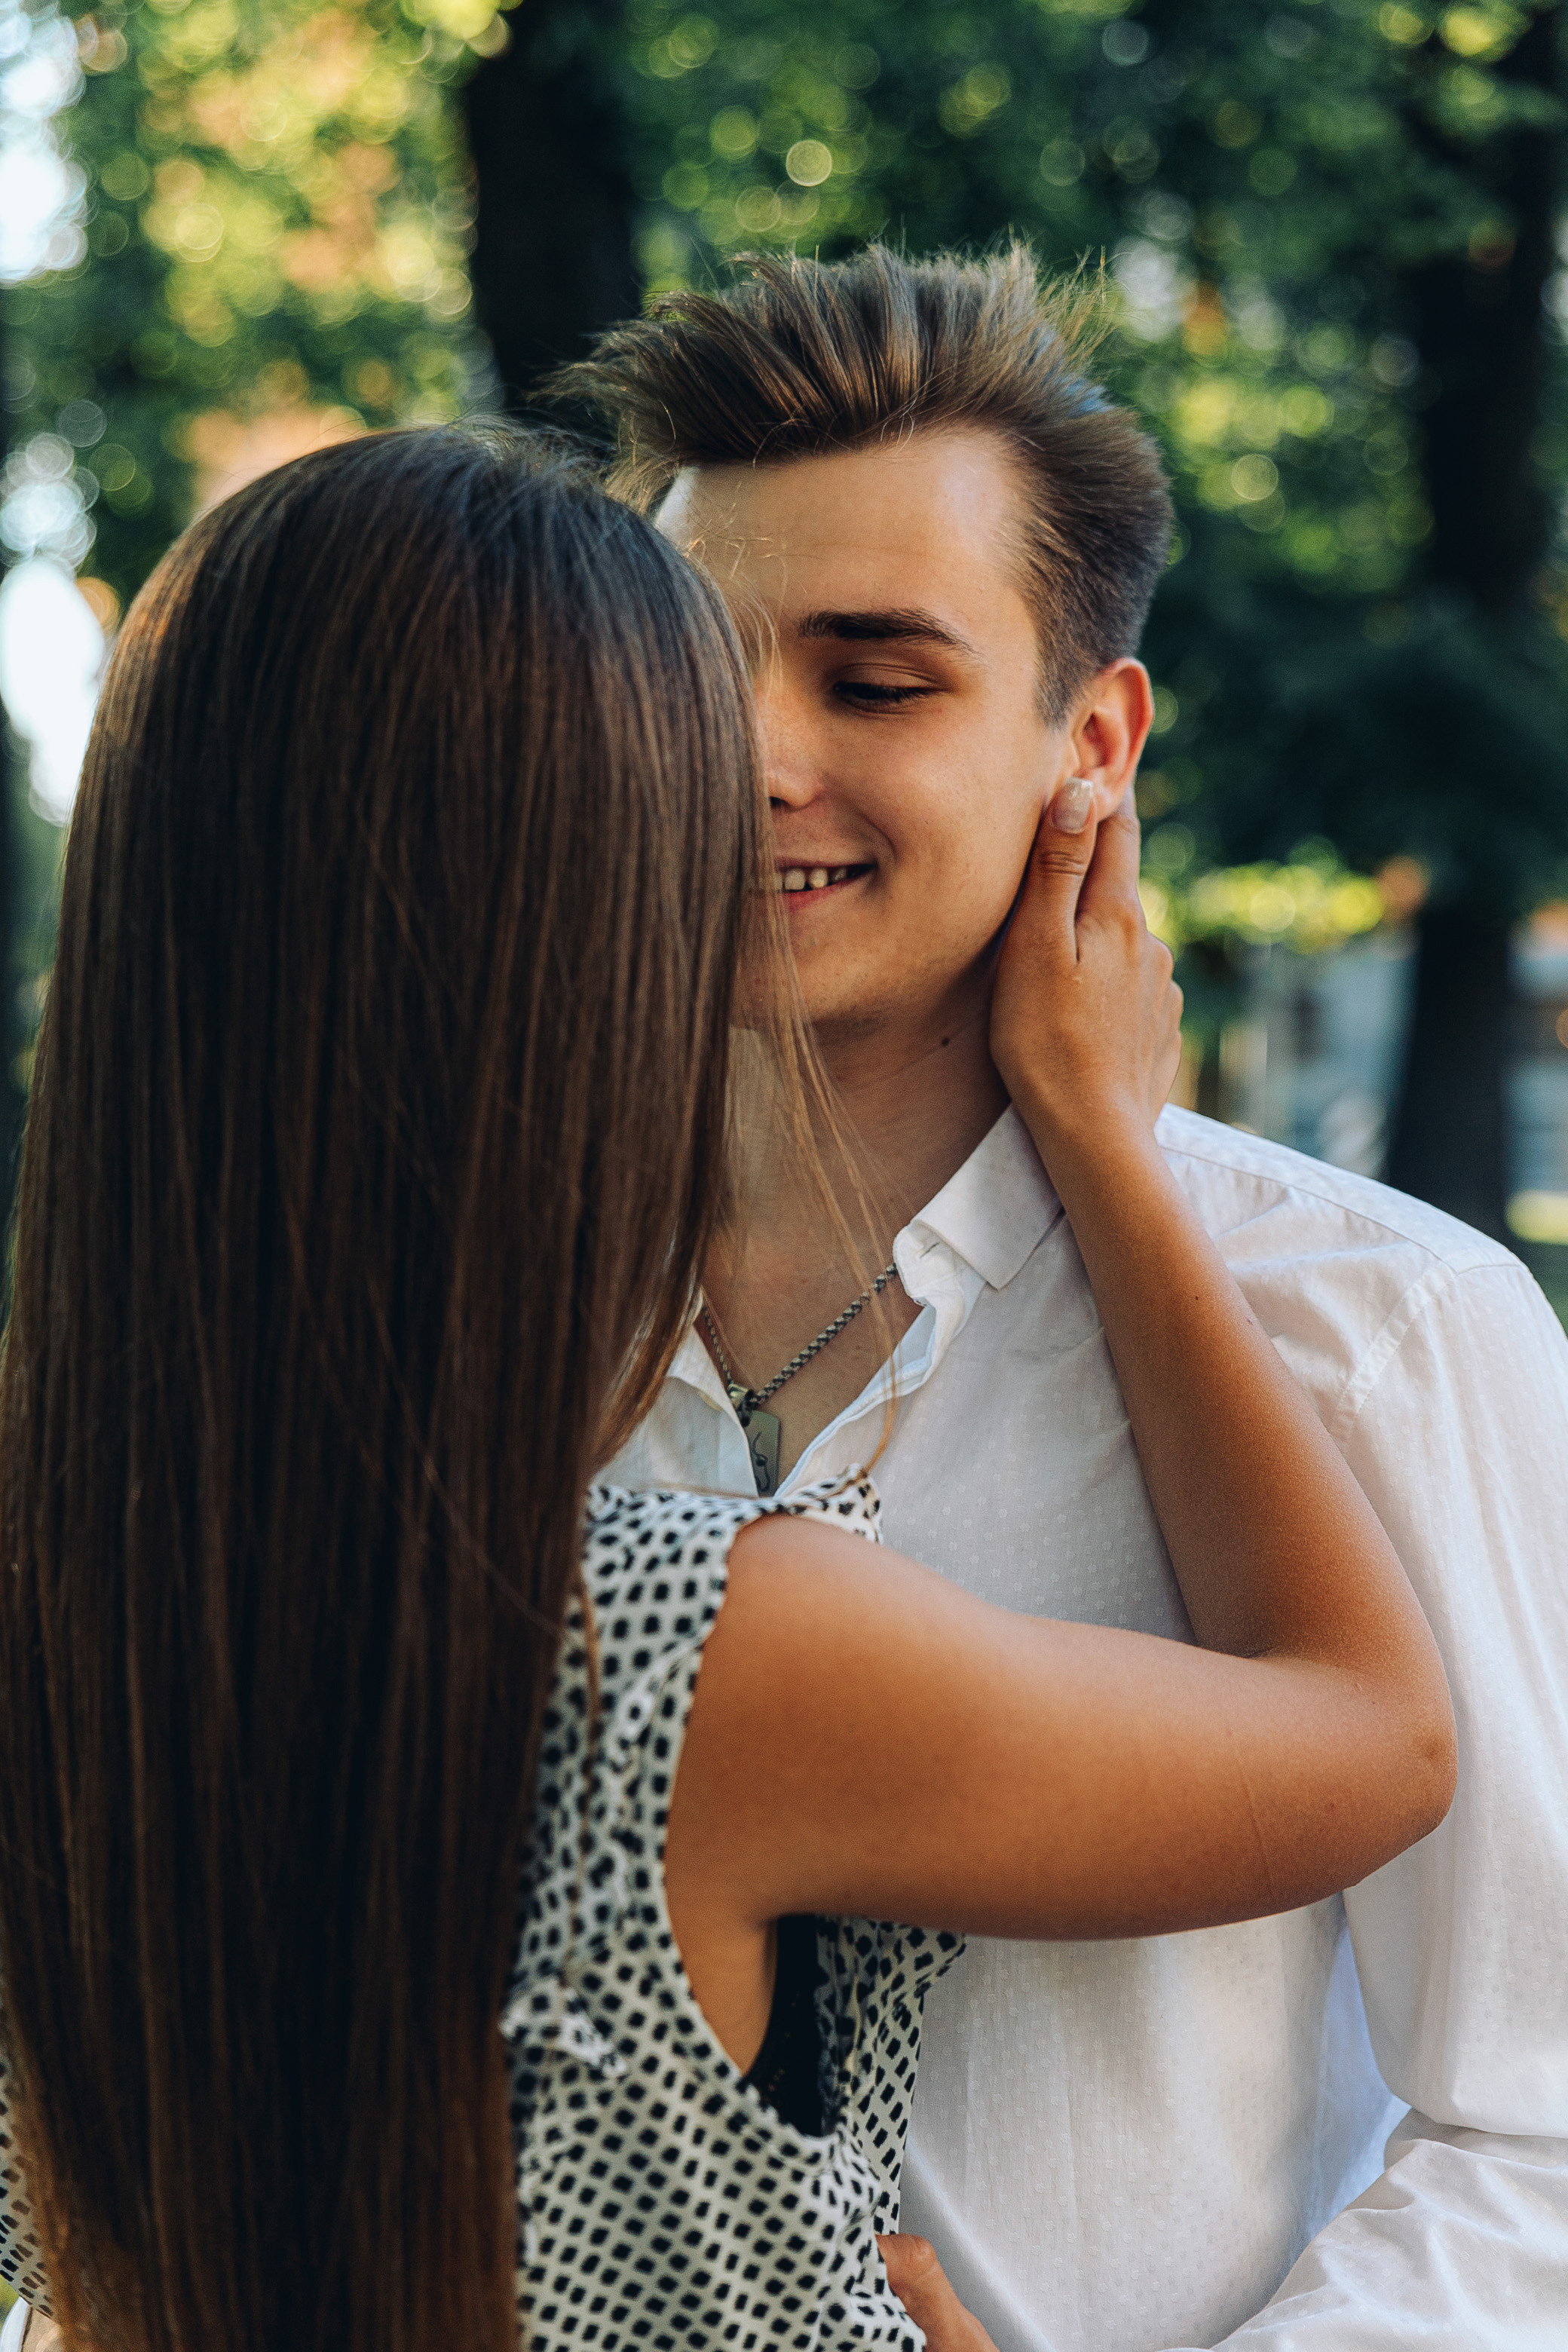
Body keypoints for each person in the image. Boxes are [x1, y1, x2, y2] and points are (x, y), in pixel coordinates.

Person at [0, 426, 1453, 2352]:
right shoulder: (684, 1652)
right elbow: (1372, 1736)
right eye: (679, 788)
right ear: (562, 947)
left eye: (867, 682)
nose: (758, 794)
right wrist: (1106, 1141)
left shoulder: (67, 1600)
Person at [563, 244, 1568, 2352]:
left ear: (1089, 743)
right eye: (685, 664)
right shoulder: (469, 1318)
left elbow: (1537, 2123)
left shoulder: (1374, 1326)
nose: (747, 754)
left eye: (873, 680)